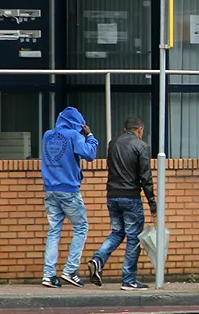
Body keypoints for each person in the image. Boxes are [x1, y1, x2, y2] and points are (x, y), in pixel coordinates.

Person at [87, 117, 156, 291]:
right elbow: (146, 177)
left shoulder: (113, 144)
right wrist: (152, 204)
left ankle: (98, 259)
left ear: (125, 129)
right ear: (140, 129)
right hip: (130, 196)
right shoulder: (141, 146)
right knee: (133, 237)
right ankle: (129, 279)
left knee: (117, 232)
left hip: (112, 195)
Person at [41, 107, 99, 288]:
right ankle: (70, 270)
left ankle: (48, 275)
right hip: (69, 190)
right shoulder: (74, 135)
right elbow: (90, 154)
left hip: (50, 190)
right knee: (81, 227)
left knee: (54, 232)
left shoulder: (47, 135)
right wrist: (90, 136)